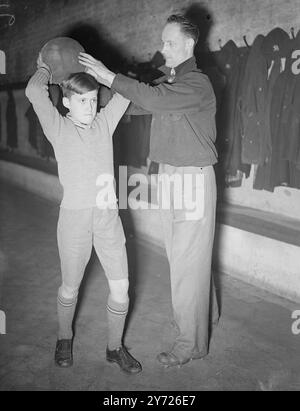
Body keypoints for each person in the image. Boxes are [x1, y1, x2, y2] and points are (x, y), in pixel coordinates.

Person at [79, 14, 219, 368]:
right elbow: (138, 101)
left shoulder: (197, 84)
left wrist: (108, 74)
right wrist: (89, 87)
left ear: (189, 45)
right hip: (171, 175)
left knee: (187, 261)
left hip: (193, 179)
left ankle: (191, 344)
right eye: (163, 41)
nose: (163, 48)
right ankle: (206, 317)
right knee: (184, 256)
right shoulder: (168, 82)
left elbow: (153, 100)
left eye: (169, 43)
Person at [25, 54, 142, 374]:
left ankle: (115, 348)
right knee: (70, 288)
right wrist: (45, 66)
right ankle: (64, 338)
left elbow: (127, 92)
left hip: (108, 219)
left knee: (121, 287)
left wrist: (105, 75)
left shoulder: (104, 123)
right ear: (66, 103)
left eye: (93, 100)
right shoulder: (59, 128)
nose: (90, 107)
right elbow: (35, 92)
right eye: (82, 101)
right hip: (74, 221)